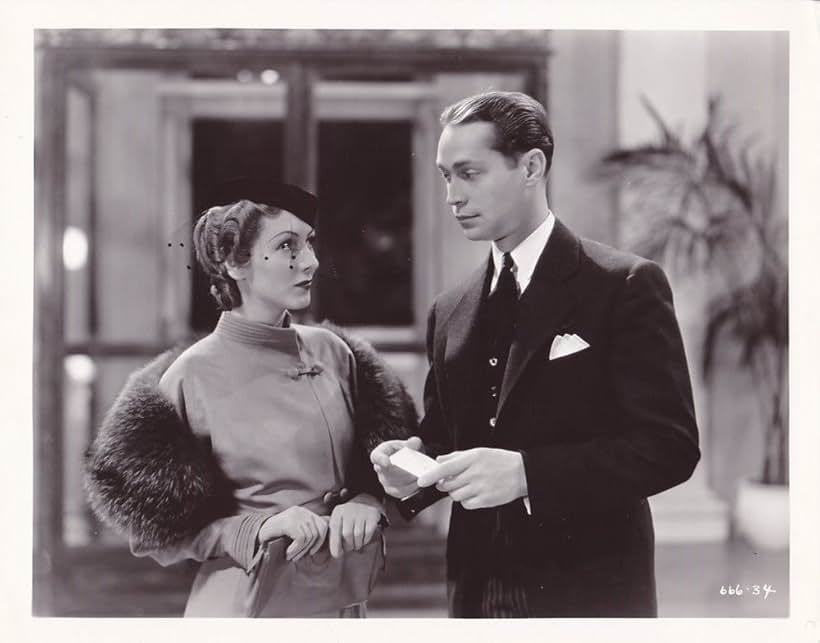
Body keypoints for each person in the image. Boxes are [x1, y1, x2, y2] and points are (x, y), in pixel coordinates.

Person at [371, 91, 701, 617]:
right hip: (476, 594)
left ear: (531, 167)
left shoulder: (624, 285)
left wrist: (528, 474)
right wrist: (410, 469)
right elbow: (447, 438)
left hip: (589, 594)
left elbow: (670, 446)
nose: (452, 195)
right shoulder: (450, 308)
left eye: (469, 173)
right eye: (445, 176)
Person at [85, 179, 417, 617]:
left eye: (310, 244)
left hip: (342, 604)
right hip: (245, 606)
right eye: (287, 247)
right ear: (234, 264)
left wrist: (367, 498)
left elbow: (382, 467)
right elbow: (151, 534)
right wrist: (258, 528)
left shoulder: (336, 354)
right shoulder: (191, 375)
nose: (311, 262)